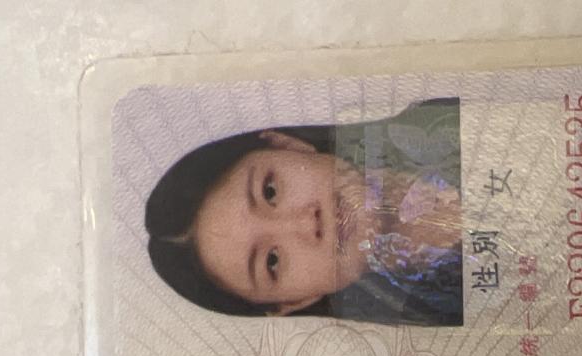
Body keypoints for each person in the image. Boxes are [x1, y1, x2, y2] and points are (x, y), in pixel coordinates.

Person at [145, 97, 463, 326]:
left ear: (286, 145)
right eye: (272, 261)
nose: (306, 224)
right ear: (295, 302)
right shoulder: (457, 335)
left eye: (270, 191)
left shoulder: (448, 112)